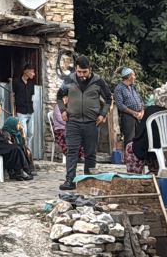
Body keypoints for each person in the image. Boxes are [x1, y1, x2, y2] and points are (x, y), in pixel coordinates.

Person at [57, 55, 112, 190]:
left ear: (90, 69)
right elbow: (59, 96)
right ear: (75, 69)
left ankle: (89, 181)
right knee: (72, 152)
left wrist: (103, 114)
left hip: (92, 123)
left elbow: (109, 99)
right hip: (73, 122)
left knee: (90, 153)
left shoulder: (98, 81)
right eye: (79, 72)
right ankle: (70, 180)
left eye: (84, 72)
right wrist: (63, 110)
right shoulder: (69, 80)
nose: (81, 75)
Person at [0, 100, 33, 181]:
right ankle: (19, 171)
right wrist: (5, 141)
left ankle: (20, 171)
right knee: (16, 148)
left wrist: (5, 139)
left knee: (20, 146)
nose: (0, 110)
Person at [113, 68, 146, 174]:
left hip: (138, 116)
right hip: (128, 116)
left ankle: (138, 159)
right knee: (130, 139)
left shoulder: (133, 87)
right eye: (134, 75)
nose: (135, 77)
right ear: (129, 76)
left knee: (139, 137)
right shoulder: (119, 88)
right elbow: (120, 105)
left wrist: (141, 111)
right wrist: (133, 113)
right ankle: (129, 161)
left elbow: (140, 100)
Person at [11, 62, 37, 151]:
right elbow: (13, 96)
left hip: (30, 111)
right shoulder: (16, 82)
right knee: (23, 133)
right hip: (21, 111)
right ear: (26, 72)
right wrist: (13, 111)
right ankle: (23, 151)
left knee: (31, 133)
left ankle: (28, 151)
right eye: (32, 72)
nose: (34, 74)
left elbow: (32, 97)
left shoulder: (31, 84)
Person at [50, 94, 85, 161]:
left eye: (67, 97)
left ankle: (80, 156)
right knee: (66, 136)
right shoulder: (58, 107)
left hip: (68, 128)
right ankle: (71, 156)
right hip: (59, 129)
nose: (66, 99)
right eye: (64, 97)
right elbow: (60, 119)